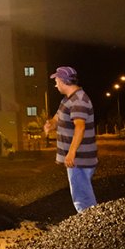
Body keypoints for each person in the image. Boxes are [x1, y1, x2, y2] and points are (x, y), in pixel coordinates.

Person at [41, 66, 98, 212]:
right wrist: (51, 124)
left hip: (79, 159)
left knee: (82, 199)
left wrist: (71, 153)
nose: (56, 85)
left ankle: (90, 222)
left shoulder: (78, 100)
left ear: (63, 81)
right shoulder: (67, 100)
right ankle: (90, 220)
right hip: (76, 159)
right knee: (81, 194)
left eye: (57, 81)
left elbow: (80, 127)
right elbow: (57, 118)